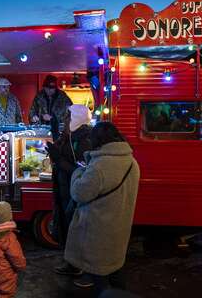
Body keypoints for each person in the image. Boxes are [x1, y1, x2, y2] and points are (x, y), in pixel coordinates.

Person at [64, 122, 140, 294]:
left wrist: (77, 172)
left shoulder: (99, 166)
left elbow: (78, 193)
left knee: (100, 279)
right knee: (116, 270)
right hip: (120, 227)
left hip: (99, 232)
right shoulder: (132, 162)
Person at [47, 105, 93, 275]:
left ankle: (77, 266)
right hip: (64, 188)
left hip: (74, 191)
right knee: (67, 226)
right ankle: (71, 262)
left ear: (77, 118)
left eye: (68, 117)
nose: (65, 120)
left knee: (74, 228)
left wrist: (58, 159)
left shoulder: (84, 139)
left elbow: (82, 171)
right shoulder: (70, 135)